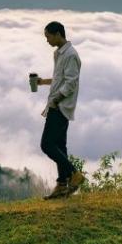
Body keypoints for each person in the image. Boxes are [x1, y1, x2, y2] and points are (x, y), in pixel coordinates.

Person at [36, 21, 84, 199]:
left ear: (57, 34)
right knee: (60, 147)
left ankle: (74, 174)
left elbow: (71, 83)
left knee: (47, 145)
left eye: (48, 36)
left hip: (60, 106)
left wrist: (56, 100)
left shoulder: (71, 55)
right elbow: (59, 79)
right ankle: (62, 185)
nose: (47, 40)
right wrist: (42, 82)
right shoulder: (59, 54)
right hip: (57, 104)